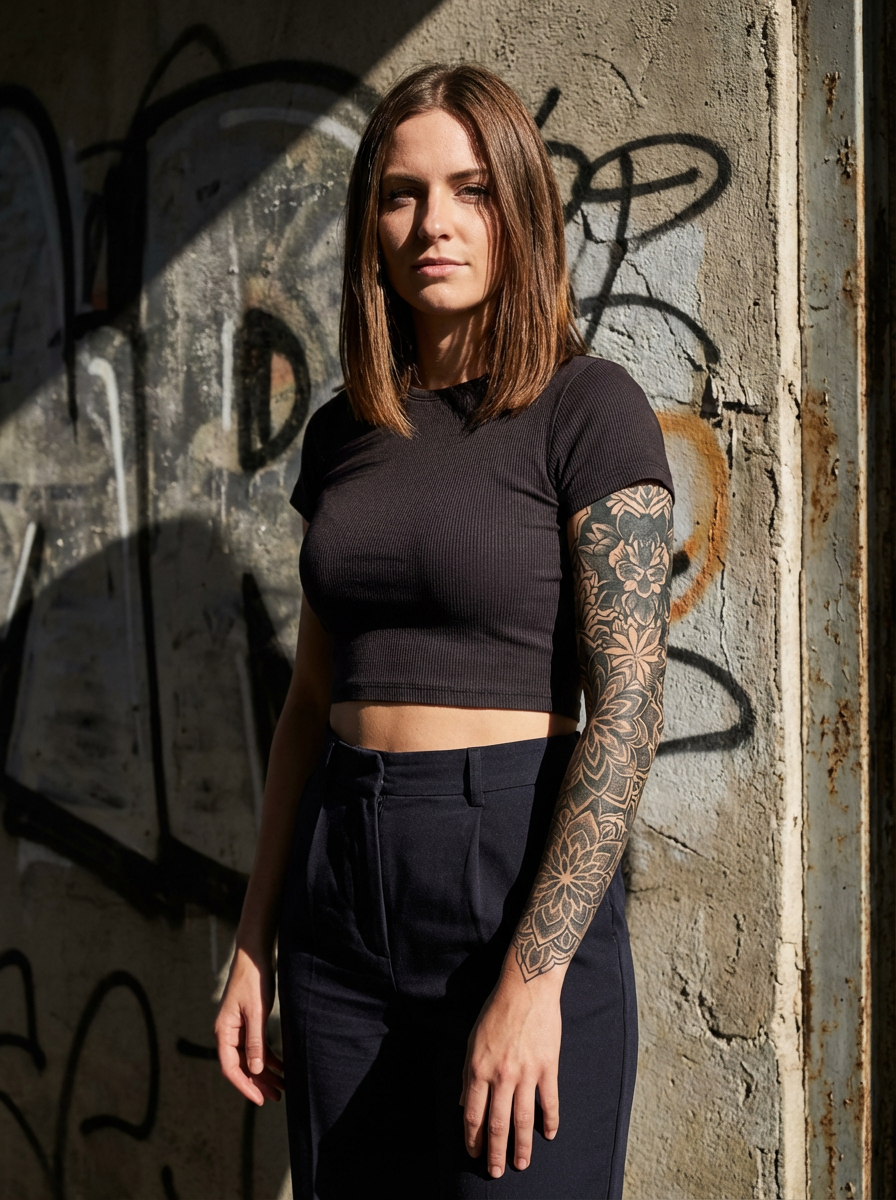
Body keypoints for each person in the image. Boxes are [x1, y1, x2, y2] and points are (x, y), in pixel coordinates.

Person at [215, 62, 674, 1199]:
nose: (434, 224)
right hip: (339, 894)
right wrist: (253, 935)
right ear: (370, 224)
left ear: (518, 210)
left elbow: (627, 708)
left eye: (470, 190)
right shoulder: (342, 435)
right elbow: (309, 703)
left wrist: (533, 978)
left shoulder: (587, 409)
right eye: (401, 194)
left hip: (508, 876)